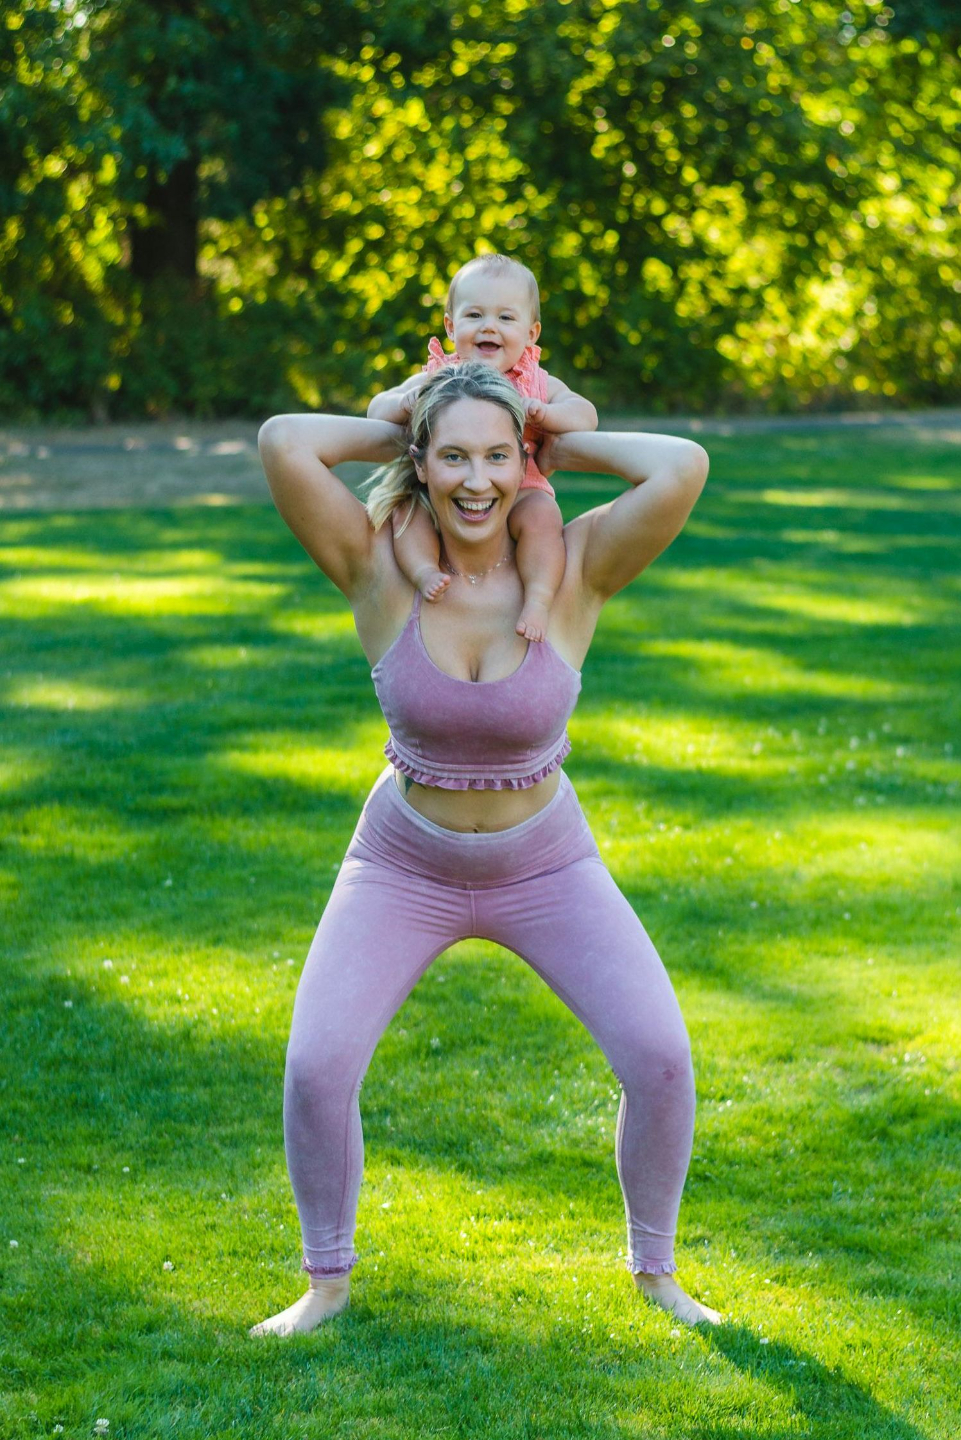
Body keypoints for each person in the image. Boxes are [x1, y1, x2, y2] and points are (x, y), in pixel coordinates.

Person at [250, 362, 718, 1338]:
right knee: (316, 1069)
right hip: (404, 862)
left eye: (496, 459)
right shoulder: (378, 564)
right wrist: (415, 429)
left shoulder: (578, 568)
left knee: (661, 1060)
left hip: (544, 861)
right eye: (453, 458)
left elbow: (680, 465)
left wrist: (542, 437)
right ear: (423, 463)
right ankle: (325, 1284)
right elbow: (284, 442)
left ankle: (657, 1272)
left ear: (524, 464)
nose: (474, 481)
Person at [367, 253, 597, 643]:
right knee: (405, 512)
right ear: (451, 326)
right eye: (475, 316)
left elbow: (586, 415)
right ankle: (424, 572)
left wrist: (545, 413)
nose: (489, 326)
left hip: (522, 488)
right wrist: (405, 403)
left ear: (531, 333)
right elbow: (376, 409)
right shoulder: (438, 374)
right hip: (440, 490)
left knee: (544, 520)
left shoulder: (536, 382)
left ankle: (538, 599)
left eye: (506, 318)